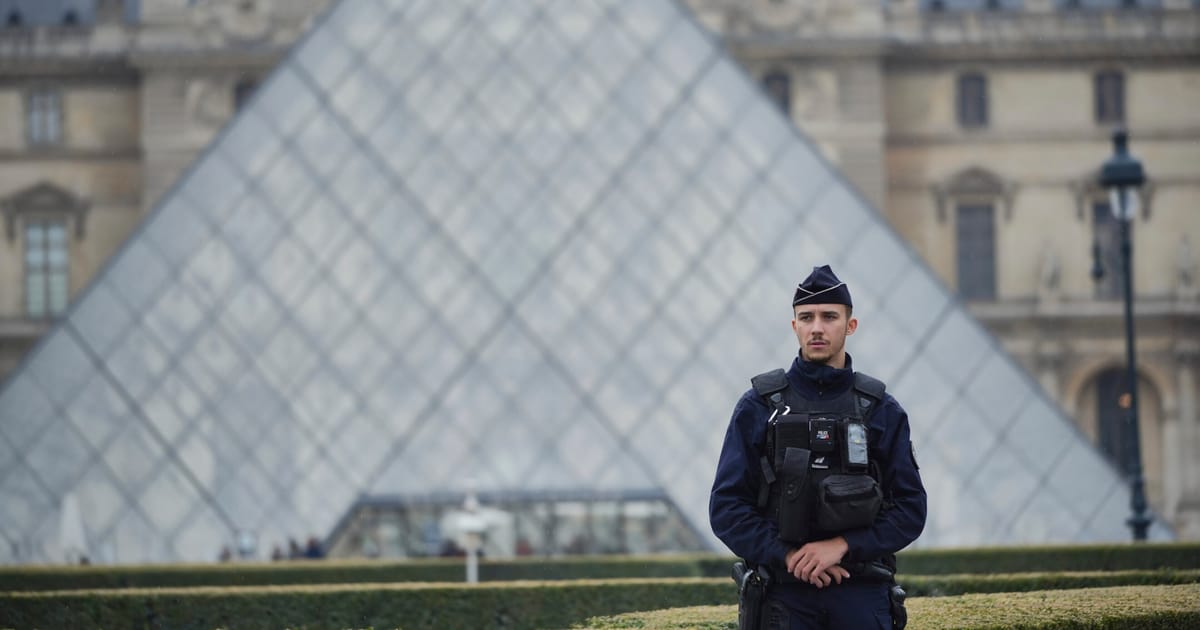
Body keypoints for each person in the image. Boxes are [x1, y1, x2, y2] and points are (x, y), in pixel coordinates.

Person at [710, 265, 927, 629]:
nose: (817, 328)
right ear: (793, 325)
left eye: (829, 317)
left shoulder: (881, 410)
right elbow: (726, 508)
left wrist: (842, 546)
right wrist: (789, 555)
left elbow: (911, 510)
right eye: (806, 317)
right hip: (783, 598)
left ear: (850, 325)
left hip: (861, 594)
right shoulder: (759, 406)